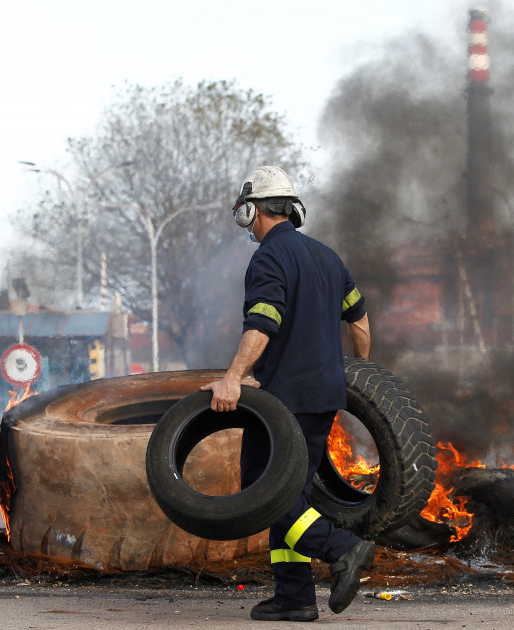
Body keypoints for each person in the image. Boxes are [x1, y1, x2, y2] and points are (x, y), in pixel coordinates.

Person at [201, 165, 374, 622]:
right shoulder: (327, 257)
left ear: (252, 211)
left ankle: (343, 549)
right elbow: (358, 319)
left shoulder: (268, 258)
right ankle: (294, 596)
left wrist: (234, 376)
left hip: (286, 401)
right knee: (290, 495)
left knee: (265, 493)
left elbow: (262, 322)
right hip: (322, 397)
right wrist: (356, 372)